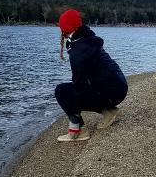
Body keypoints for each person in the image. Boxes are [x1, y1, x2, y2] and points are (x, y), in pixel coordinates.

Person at [54, 9, 128, 142]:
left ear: (65, 29)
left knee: (62, 92)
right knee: (80, 87)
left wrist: (73, 109)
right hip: (119, 86)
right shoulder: (88, 40)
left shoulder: (79, 50)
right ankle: (108, 111)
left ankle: (78, 132)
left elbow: (79, 86)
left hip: (113, 92)